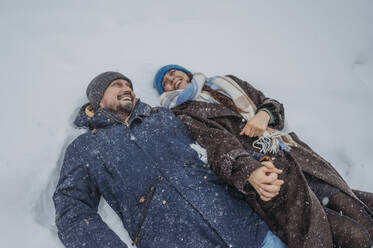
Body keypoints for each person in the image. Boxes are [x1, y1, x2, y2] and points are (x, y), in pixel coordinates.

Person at [53, 71, 287, 248]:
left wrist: (257, 164)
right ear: (98, 98)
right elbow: (72, 210)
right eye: (117, 85)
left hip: (249, 231)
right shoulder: (86, 147)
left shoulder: (164, 118)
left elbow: (213, 145)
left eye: (128, 85)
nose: (127, 89)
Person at [153, 64, 373, 248]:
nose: (172, 79)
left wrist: (264, 114)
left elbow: (272, 104)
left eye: (173, 73)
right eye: (165, 82)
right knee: (354, 236)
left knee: (352, 207)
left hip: (294, 153)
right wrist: (249, 170)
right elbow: (217, 146)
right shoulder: (183, 113)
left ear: (185, 71)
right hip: (268, 173)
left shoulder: (226, 83)